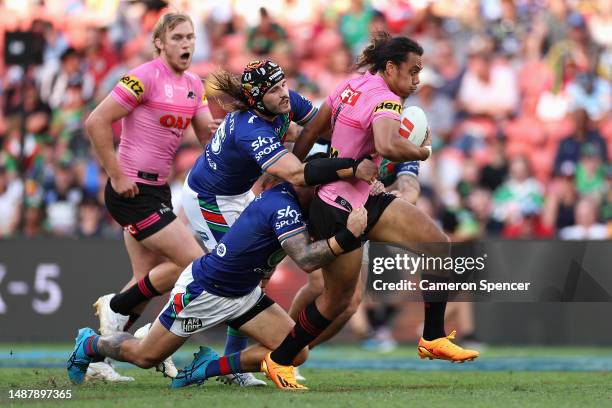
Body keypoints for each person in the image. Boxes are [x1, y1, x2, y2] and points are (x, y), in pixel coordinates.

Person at [264, 32, 479, 390]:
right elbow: (387, 145)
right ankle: (279, 359)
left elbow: (312, 131)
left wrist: (290, 169)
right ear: (390, 67)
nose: (417, 80)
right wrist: (423, 151)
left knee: (438, 244)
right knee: (336, 302)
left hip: (364, 197)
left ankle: (433, 337)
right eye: (412, 71)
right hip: (338, 207)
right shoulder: (386, 99)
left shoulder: (351, 85)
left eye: (420, 72)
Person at [178, 59, 377, 386]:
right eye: (274, 89)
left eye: (283, 83)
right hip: (210, 200)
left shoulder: (286, 102)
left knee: (259, 277)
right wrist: (351, 167)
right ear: (257, 98)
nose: (284, 93)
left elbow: (323, 128)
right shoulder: (251, 128)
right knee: (240, 277)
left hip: (237, 193)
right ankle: (164, 337)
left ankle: (232, 364)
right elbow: (297, 173)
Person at [67, 181, 368, 390]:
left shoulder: (299, 201)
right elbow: (305, 259)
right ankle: (90, 343)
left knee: (295, 351)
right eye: (324, 190)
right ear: (309, 188)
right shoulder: (284, 207)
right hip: (207, 291)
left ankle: (208, 367)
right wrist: (348, 236)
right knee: (146, 356)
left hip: (244, 293)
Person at [84, 13, 214, 380]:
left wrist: (225, 131)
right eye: (177, 37)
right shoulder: (143, 76)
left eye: (190, 37)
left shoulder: (194, 84)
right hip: (130, 190)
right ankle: (146, 333)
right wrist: (116, 174)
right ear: (159, 42)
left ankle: (96, 357)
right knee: (194, 264)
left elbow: (207, 138)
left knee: (143, 279)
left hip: (155, 190)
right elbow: (96, 121)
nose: (186, 44)